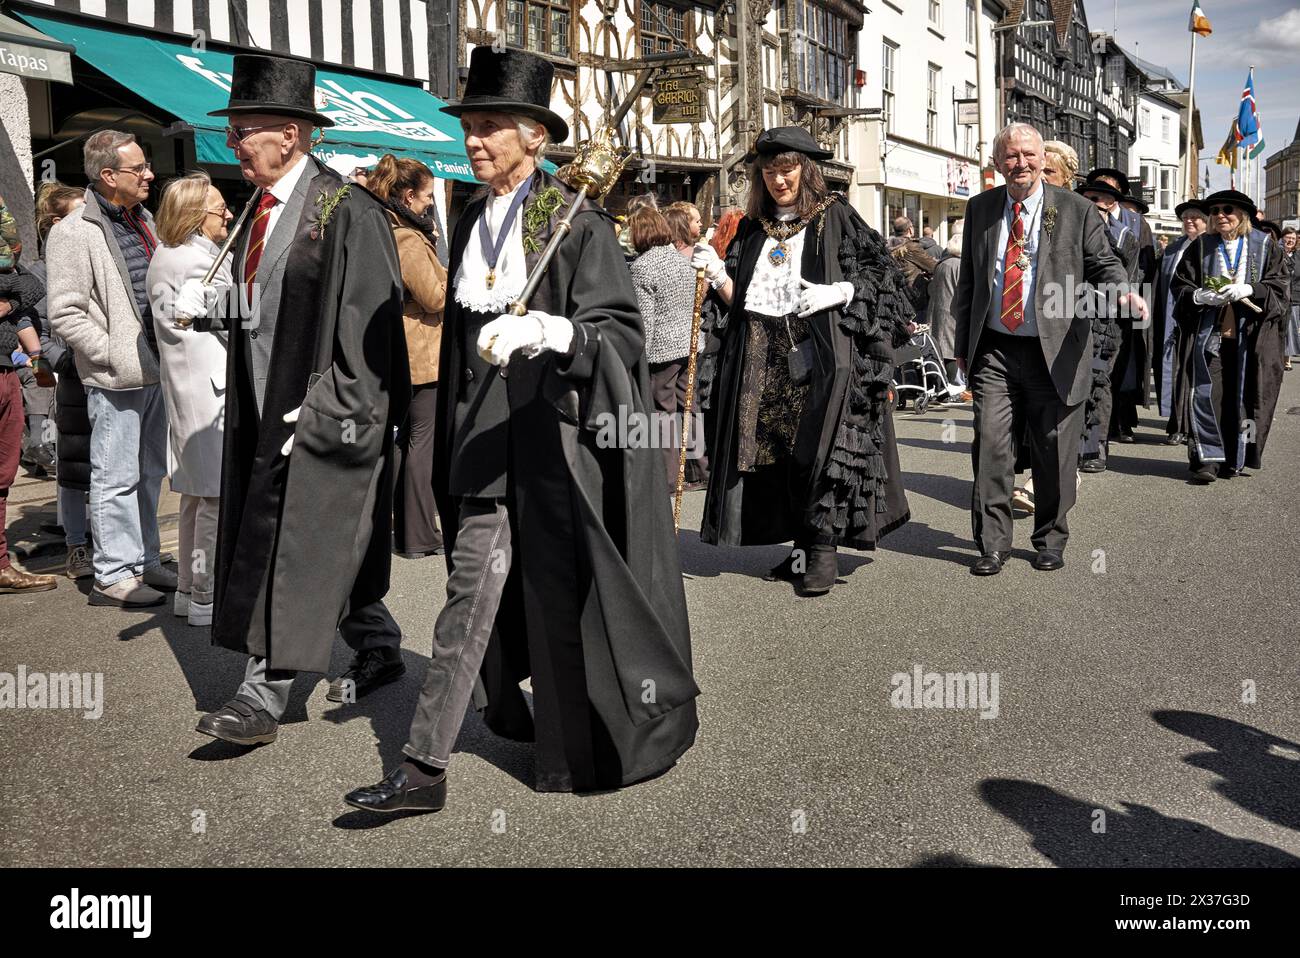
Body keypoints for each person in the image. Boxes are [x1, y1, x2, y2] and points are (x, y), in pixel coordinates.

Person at [343, 46, 698, 813]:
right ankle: (430, 764)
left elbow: (622, 337)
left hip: (554, 445)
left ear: (535, 137)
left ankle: (530, 751)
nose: (474, 139)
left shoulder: (576, 222)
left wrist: (555, 331)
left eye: (492, 126)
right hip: (482, 442)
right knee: (472, 590)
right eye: (469, 125)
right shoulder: (468, 219)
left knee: (547, 598)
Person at [175, 54, 411, 746]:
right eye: (234, 129)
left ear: (290, 133)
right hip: (259, 410)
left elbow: (373, 336)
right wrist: (217, 305)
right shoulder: (256, 208)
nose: (233, 143)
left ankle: (261, 698)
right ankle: (377, 638)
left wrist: (328, 416)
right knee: (329, 547)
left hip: (320, 415)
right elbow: (268, 306)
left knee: (296, 546)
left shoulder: (349, 210)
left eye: (245, 130)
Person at [690, 126, 912, 597]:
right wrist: (716, 275)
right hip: (761, 357)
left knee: (822, 451)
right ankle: (799, 552)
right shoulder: (751, 229)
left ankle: (823, 555)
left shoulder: (835, 216)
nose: (778, 179)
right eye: (769, 171)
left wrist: (843, 290)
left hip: (820, 352)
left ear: (806, 171)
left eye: (787, 169)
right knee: (775, 456)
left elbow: (884, 274)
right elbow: (742, 304)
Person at [952, 123, 1133, 576]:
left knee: (1054, 449)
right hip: (994, 350)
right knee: (992, 447)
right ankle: (992, 544)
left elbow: (1104, 262)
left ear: (1041, 159)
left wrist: (1121, 291)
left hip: (1054, 350)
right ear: (998, 163)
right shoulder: (980, 209)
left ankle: (1051, 536)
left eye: (1029, 155)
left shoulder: (1075, 210)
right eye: (1011, 156)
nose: (1021, 164)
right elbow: (971, 283)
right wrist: (961, 346)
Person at [46, 131, 175, 607]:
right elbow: (64, 312)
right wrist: (110, 353)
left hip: (157, 368)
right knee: (115, 475)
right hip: (117, 373)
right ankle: (113, 571)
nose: (149, 175)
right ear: (107, 176)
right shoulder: (74, 230)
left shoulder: (146, 219)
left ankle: (145, 560)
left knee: (148, 473)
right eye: (138, 168)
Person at [146, 172, 234, 627]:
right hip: (207, 389)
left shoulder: (166, 254)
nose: (229, 215)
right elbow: (238, 316)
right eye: (221, 210)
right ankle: (205, 594)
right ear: (198, 216)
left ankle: (187, 590)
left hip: (185, 388)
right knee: (213, 501)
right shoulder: (198, 262)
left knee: (194, 500)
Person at [1171, 189, 1288, 483]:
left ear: (1243, 215)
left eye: (1227, 210)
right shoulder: (1201, 247)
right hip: (1211, 338)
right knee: (1209, 396)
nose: (1220, 215)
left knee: (1246, 399)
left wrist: (1252, 289)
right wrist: (1198, 296)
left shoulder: (1265, 246)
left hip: (1251, 340)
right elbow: (1180, 285)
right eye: (1215, 211)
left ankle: (1236, 456)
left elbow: (1280, 288)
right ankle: (1205, 460)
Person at [366, 153, 448, 559]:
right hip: (421, 353)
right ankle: (418, 534)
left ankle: (402, 528)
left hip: (402, 352)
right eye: (428, 195)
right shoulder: (407, 237)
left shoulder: (384, 227)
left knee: (404, 443)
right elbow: (433, 295)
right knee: (422, 443)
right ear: (410, 194)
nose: (431, 203)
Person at [26, 184, 91, 578]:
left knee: (111, 467)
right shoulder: (39, 273)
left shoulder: (90, 256)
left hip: (104, 376)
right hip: (70, 381)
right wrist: (64, 361)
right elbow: (36, 333)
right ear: (56, 222)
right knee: (72, 467)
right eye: (80, 212)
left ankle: (119, 546)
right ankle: (76, 547)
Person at [0, 195, 58, 595]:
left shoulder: (13, 273)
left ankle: (1, 565)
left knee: (3, 478)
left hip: (6, 370)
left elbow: (20, 311)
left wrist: (39, 366)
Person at [628, 207, 706, 490]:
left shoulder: (643, 266)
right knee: (689, 406)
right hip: (690, 343)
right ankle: (699, 470)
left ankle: (669, 477)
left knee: (662, 412)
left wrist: (637, 358)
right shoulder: (681, 259)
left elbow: (644, 321)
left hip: (662, 350)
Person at [1076, 176, 1139, 475]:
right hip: (1069, 313)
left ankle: (1094, 446)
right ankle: (1069, 444)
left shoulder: (1125, 236)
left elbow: (1126, 277)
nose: (1093, 204)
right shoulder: (1070, 229)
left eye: (1099, 200)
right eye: (1088, 198)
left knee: (1099, 380)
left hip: (1106, 319)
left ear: (1111, 204)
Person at [1156, 200, 1208, 443]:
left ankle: (1193, 427)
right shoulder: (1173, 249)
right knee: (1174, 372)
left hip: (1199, 319)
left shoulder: (1210, 248)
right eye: (1186, 217)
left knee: (1195, 374)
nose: (1189, 220)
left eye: (1195, 217)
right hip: (1171, 319)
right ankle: (1176, 424)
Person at [1110, 190, 1158, 444]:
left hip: (1131, 305)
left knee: (1127, 366)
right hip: (1098, 303)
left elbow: (1146, 268)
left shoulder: (1141, 229)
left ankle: (1123, 421)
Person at [927, 231, 965, 391]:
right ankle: (954, 386)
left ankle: (942, 386)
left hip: (938, 310)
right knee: (951, 349)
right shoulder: (959, 265)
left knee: (942, 348)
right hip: (952, 312)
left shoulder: (942, 264)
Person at [888, 215, 938, 324]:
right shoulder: (912, 246)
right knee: (917, 333)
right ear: (910, 229)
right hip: (913, 296)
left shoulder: (887, 247)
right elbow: (933, 267)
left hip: (894, 295)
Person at [1281, 226, 1299, 370]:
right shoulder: (1277, 253)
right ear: (1282, 237)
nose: (1291, 240)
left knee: (1291, 328)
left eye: (1293, 238)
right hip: (1279, 297)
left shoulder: (1298, 256)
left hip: (1295, 298)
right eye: (1288, 237)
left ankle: (1287, 360)